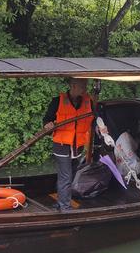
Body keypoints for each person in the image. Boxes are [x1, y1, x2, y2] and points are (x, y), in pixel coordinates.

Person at [43, 78, 94, 211]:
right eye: (82, 86)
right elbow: (47, 119)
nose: (85, 89)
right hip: (62, 145)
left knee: (69, 175)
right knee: (66, 176)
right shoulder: (57, 101)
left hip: (77, 147)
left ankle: (60, 201)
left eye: (86, 86)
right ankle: (65, 208)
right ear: (73, 86)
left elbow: (94, 118)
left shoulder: (89, 101)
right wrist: (48, 125)